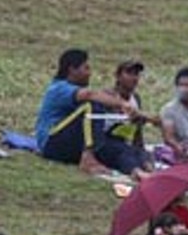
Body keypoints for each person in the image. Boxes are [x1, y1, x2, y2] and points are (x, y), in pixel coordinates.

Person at [35, 50, 153, 179]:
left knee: (119, 147)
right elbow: (89, 95)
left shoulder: (136, 99)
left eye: (136, 74)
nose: (89, 73)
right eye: (86, 68)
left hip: (71, 146)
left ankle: (139, 172)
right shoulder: (59, 88)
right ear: (72, 69)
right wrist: (122, 104)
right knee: (91, 105)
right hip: (51, 143)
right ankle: (88, 158)